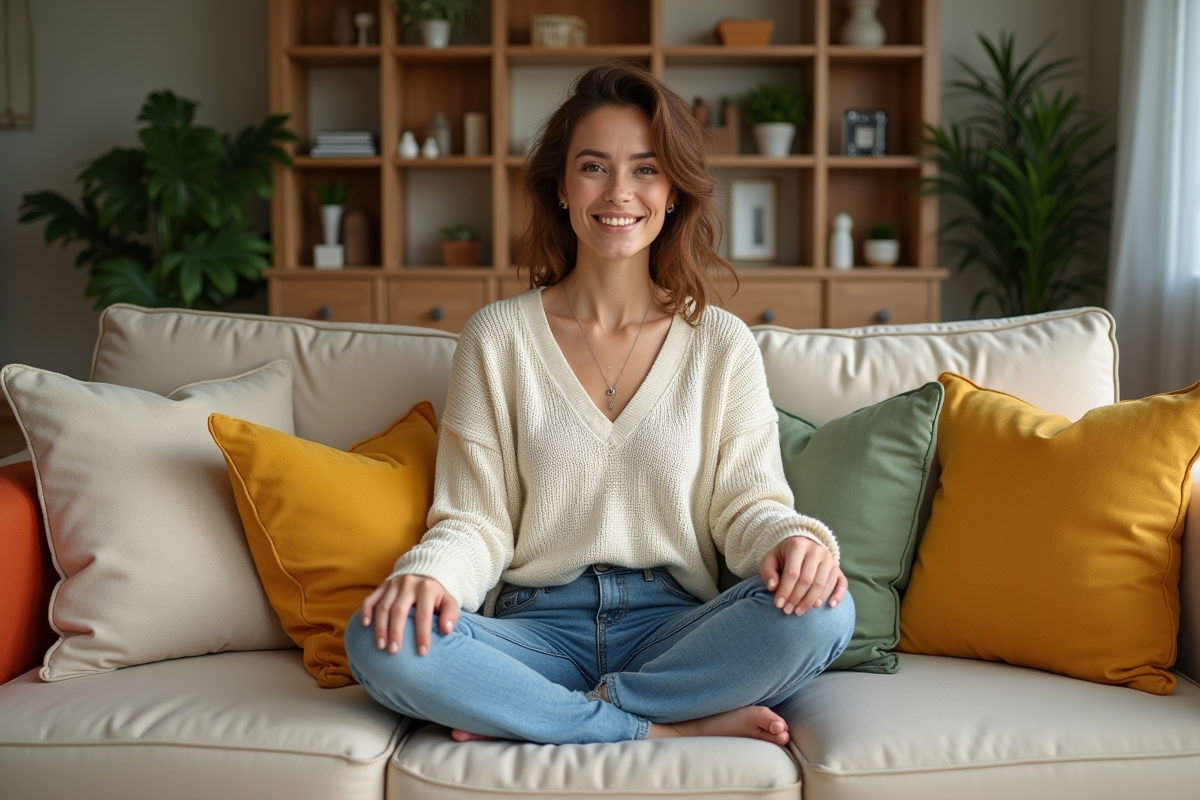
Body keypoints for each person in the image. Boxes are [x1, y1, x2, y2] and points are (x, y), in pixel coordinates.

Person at [344, 62, 854, 747]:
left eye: (646, 169)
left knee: (826, 613)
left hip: (676, 627)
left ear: (673, 191)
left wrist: (794, 541)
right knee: (379, 639)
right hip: (532, 630)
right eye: (594, 167)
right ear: (560, 187)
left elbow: (746, 506)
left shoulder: (721, 344)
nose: (620, 192)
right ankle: (658, 728)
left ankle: (540, 715)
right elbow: (475, 519)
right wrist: (428, 575)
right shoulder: (497, 338)